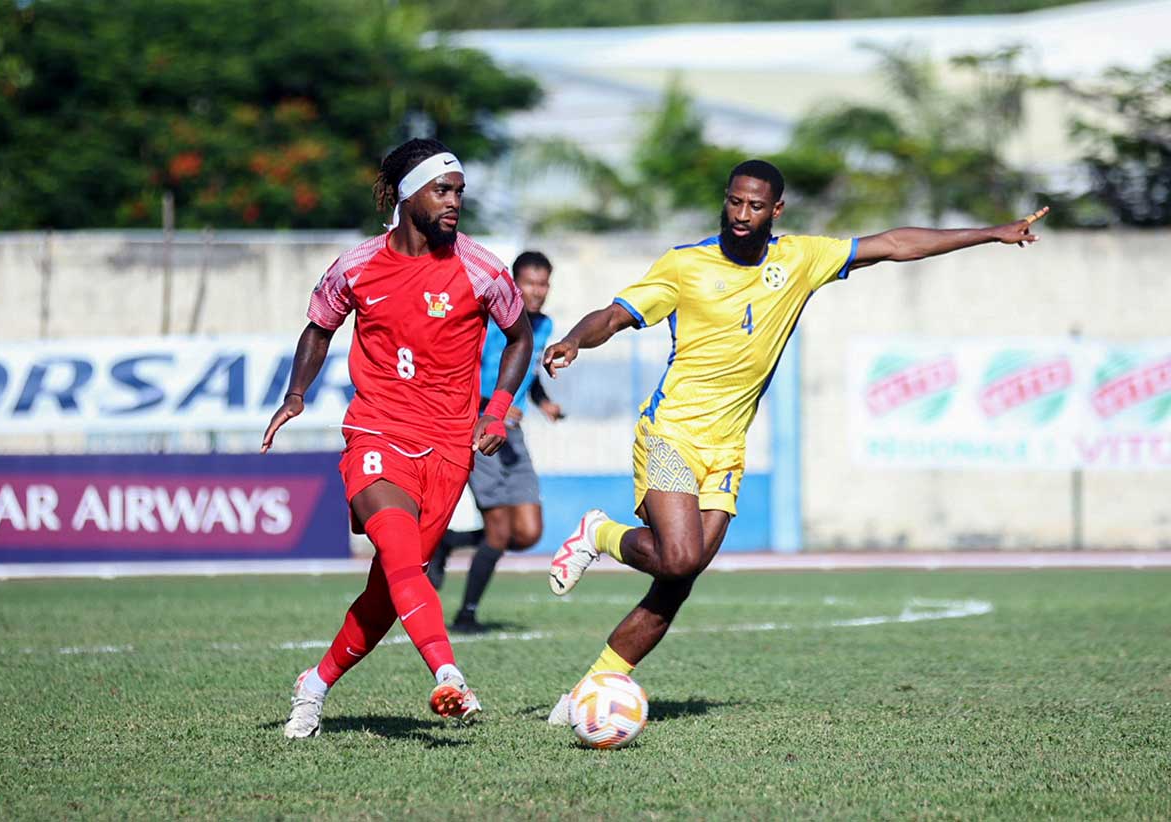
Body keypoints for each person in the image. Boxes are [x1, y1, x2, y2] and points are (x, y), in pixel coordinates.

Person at [541, 159, 1048, 723]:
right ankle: (598, 531)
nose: (741, 214)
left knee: (678, 581)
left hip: (727, 448)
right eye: (734, 202)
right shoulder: (685, 265)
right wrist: (572, 340)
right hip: (671, 434)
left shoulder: (800, 258)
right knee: (680, 557)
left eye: (755, 206)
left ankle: (590, 692)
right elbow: (615, 315)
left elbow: (894, 243)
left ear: (775, 210)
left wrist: (989, 233)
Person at [261, 138, 533, 738]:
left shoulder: (482, 269)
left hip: (449, 448)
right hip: (376, 430)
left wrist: (498, 411)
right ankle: (449, 673)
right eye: (443, 189)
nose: (455, 201)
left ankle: (315, 683)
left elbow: (520, 338)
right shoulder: (356, 266)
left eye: (460, 191)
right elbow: (318, 328)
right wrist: (296, 394)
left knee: (387, 589)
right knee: (401, 553)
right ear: (410, 195)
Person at [427, 251, 563, 633]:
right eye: (529, 283)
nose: (536, 292)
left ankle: (448, 542)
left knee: (528, 532)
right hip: (480, 427)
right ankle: (467, 614)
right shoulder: (492, 323)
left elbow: (525, 372)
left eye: (543, 283)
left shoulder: (546, 325)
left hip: (513, 434)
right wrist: (494, 409)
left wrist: (542, 401)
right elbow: (465, 376)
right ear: (514, 284)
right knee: (500, 531)